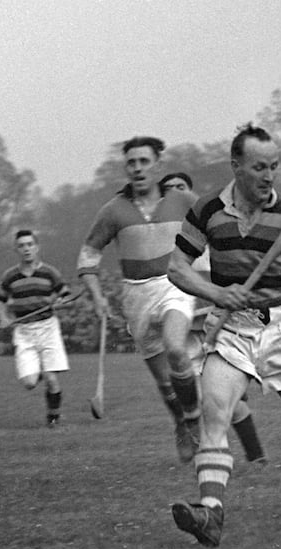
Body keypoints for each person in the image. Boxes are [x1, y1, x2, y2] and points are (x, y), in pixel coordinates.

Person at [167, 124, 281, 547]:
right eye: (259, 167)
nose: (269, 176)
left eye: (274, 167)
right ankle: (211, 515)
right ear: (236, 166)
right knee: (214, 415)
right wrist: (217, 293)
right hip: (232, 329)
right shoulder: (207, 211)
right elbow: (177, 268)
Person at [76, 138, 203, 463]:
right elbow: (88, 255)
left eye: (144, 161)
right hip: (136, 295)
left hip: (174, 284)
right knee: (163, 380)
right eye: (132, 163)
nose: (138, 168)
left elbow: (216, 225)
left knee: (177, 349)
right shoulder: (113, 210)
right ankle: (179, 422)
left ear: (157, 165)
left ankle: (193, 417)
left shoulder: (183, 199)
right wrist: (96, 295)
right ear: (126, 168)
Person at [160, 172, 266, 465]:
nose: (175, 196)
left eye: (181, 189)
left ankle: (255, 456)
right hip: (185, 330)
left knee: (221, 397)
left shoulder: (212, 228)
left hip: (217, 322)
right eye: (168, 191)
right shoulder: (165, 240)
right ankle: (245, 453)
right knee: (211, 399)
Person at [0, 229, 74, 427]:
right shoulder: (10, 276)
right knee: (29, 383)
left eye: (30, 244)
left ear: (37, 247)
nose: (26, 249)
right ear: (16, 250)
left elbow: (66, 295)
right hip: (24, 330)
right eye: (21, 246)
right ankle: (38, 373)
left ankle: (53, 418)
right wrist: (3, 318)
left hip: (48, 328)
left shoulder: (49, 272)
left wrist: (62, 301)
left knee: (51, 378)